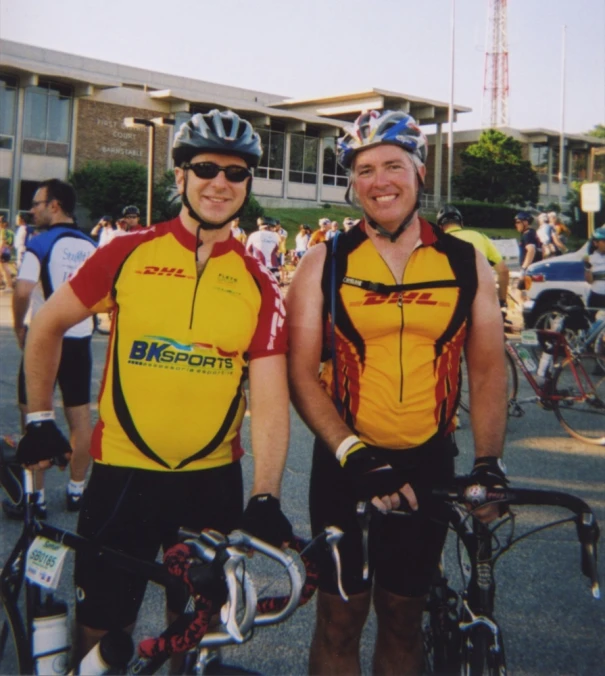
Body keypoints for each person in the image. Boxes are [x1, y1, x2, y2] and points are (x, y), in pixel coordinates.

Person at [13, 110, 292, 659]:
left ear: (248, 184)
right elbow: (45, 325)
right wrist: (39, 419)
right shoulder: (129, 251)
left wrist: (266, 493)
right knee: (100, 637)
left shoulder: (260, 280)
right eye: (206, 168)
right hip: (122, 476)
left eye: (236, 174)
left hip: (210, 482)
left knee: (192, 635)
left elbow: (270, 396)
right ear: (181, 174)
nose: (220, 183)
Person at [286, 110, 508, 675]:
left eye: (392, 166)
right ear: (352, 183)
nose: (380, 181)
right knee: (340, 620)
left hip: (428, 459)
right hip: (345, 460)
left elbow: (485, 373)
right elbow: (300, 373)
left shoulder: (466, 262)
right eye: (364, 170)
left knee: (402, 617)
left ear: (419, 173)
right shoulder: (324, 261)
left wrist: (488, 462)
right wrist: (351, 453)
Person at [4, 179, 97, 519]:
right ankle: (76, 491)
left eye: (37, 203)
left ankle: (35, 499)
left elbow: (23, 290)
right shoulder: (93, 244)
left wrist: (19, 326)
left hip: (45, 343)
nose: (33, 209)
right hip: (80, 340)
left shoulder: (41, 242)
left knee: (35, 418)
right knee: (80, 418)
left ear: (55, 205)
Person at [436, 204, 510, 312]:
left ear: (440, 227)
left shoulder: (436, 243)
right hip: (482, 300)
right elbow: (503, 271)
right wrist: (502, 301)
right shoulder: (480, 237)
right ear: (461, 223)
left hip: (450, 303)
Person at [245, 215, 282, 280]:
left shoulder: (253, 235)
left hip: (258, 266)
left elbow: (247, 252)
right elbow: (277, 252)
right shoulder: (276, 236)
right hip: (273, 267)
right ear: (269, 226)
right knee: (274, 286)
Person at [514, 211, 542, 290]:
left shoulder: (527, 234)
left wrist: (524, 268)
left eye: (518, 222)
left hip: (529, 270)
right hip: (535, 268)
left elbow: (531, 250)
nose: (516, 225)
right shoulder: (532, 232)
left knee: (519, 292)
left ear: (525, 222)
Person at [584, 226, 605, 311]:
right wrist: (587, 267)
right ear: (595, 243)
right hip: (597, 296)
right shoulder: (591, 258)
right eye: (603, 241)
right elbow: (589, 281)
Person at [0, 215, 15, 290]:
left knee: (5, 268)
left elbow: (2, 241)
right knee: (3, 268)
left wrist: (0, 251)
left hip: (2, 251)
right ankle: (2, 282)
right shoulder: (11, 232)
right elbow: (12, 244)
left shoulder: (2, 231)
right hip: (8, 252)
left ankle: (9, 285)